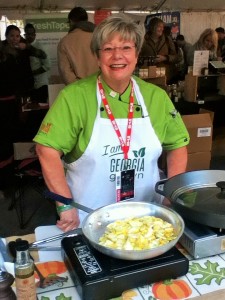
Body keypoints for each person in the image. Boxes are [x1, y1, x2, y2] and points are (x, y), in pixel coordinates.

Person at [34, 14, 189, 232]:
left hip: (147, 220)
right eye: (107, 49)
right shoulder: (75, 97)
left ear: (136, 54)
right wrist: (64, 204)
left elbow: (178, 145)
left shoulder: (156, 97)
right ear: (97, 57)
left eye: (126, 47)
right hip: (89, 219)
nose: (117, 56)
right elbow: (46, 150)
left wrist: (171, 194)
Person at [0, 25, 46, 193]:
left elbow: (43, 56)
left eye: (18, 36)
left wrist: (27, 47)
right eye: (12, 35)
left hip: (24, 96)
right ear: (6, 36)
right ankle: (9, 173)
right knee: (8, 136)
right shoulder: (2, 51)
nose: (15, 39)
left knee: (22, 131)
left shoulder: (25, 48)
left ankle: (22, 167)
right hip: (5, 102)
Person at [57, 6, 99, 85]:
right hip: (100, 86)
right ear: (86, 20)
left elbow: (65, 72)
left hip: (78, 88)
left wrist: (78, 87)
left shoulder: (65, 42)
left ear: (71, 21)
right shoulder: (99, 37)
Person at [139, 17, 178, 84]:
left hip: (165, 77)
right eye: (159, 26)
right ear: (152, 27)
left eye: (162, 27)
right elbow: (137, 57)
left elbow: (176, 57)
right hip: (148, 77)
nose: (162, 29)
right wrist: (147, 60)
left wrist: (165, 58)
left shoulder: (167, 40)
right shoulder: (143, 41)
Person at [24, 23, 50, 103]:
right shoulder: (24, 47)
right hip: (30, 85)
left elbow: (48, 65)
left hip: (41, 85)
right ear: (25, 35)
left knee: (41, 111)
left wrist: (32, 73)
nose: (30, 36)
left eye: (32, 34)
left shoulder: (39, 47)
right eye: (28, 34)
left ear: (35, 35)